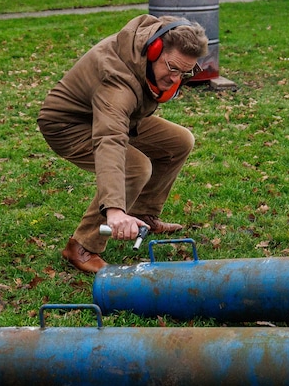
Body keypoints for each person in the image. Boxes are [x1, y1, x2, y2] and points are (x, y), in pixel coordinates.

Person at [37, 14, 208, 273]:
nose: (176, 80)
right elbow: (110, 140)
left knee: (179, 142)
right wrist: (114, 210)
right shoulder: (117, 81)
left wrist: (177, 70)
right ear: (154, 50)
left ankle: (142, 213)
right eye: (173, 68)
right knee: (135, 167)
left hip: (118, 117)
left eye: (184, 73)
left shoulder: (152, 41)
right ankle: (82, 246)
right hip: (68, 125)